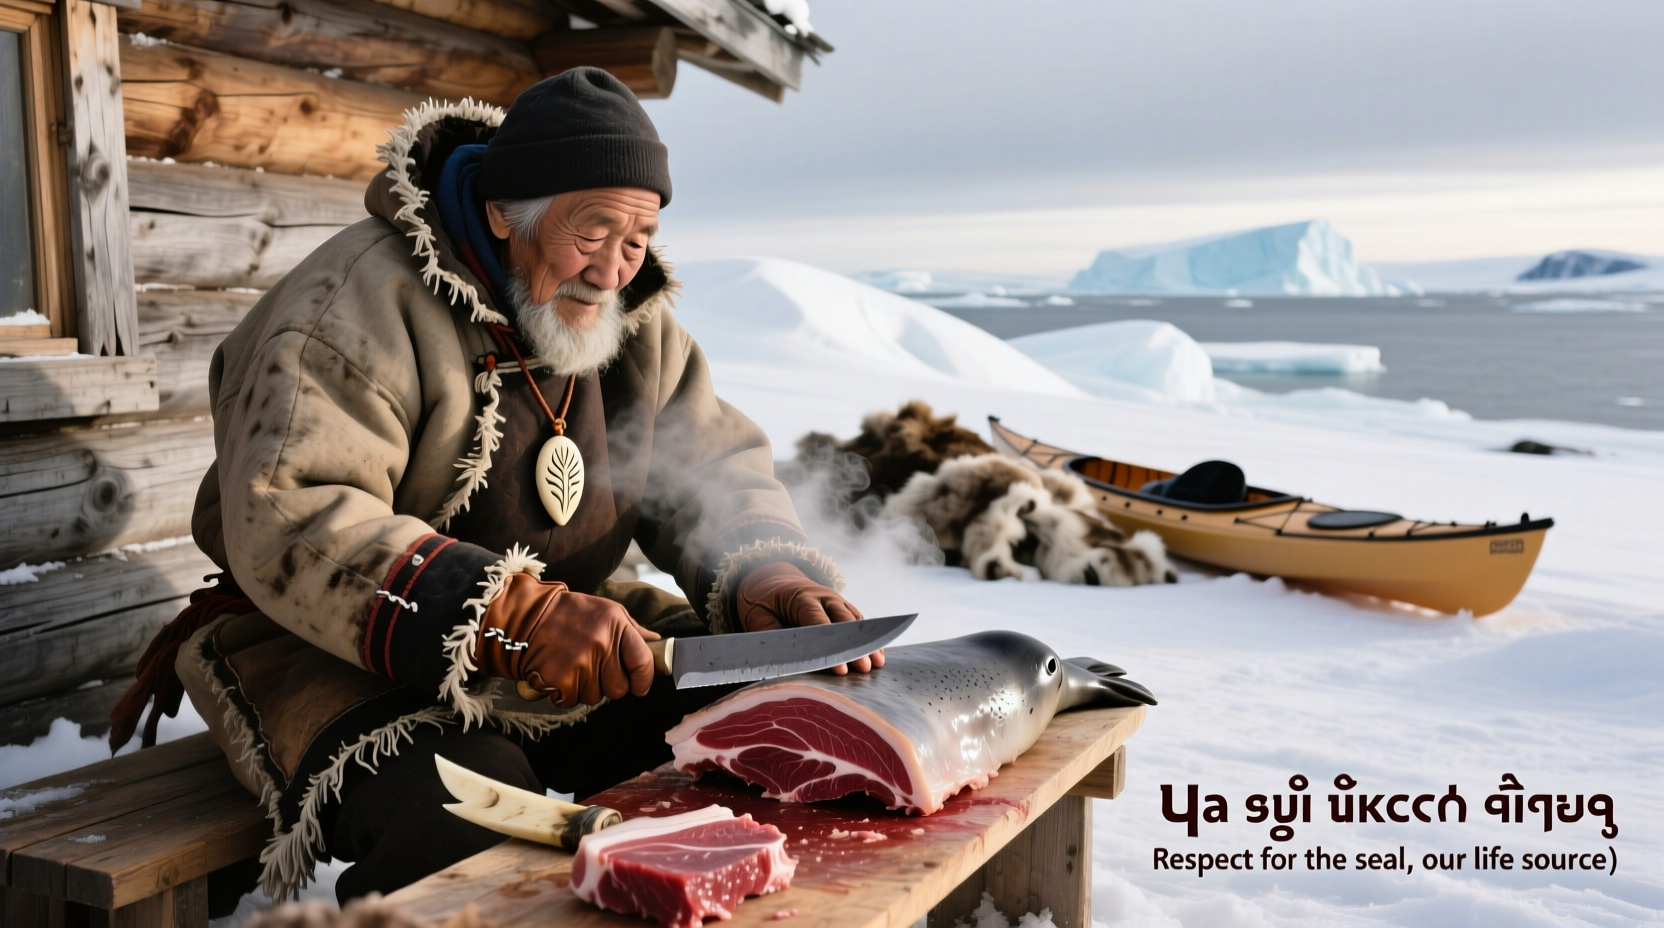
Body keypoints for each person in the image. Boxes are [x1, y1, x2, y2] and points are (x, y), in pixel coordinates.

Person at [108, 68, 877, 907]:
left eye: (639, 238)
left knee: (758, 713)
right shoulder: (349, 304)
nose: (616, 271)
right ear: (507, 210)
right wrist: (512, 616)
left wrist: (766, 575)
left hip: (571, 650)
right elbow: (292, 513)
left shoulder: (637, 328)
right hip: (335, 647)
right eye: (594, 232)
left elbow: (712, 469)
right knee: (473, 823)